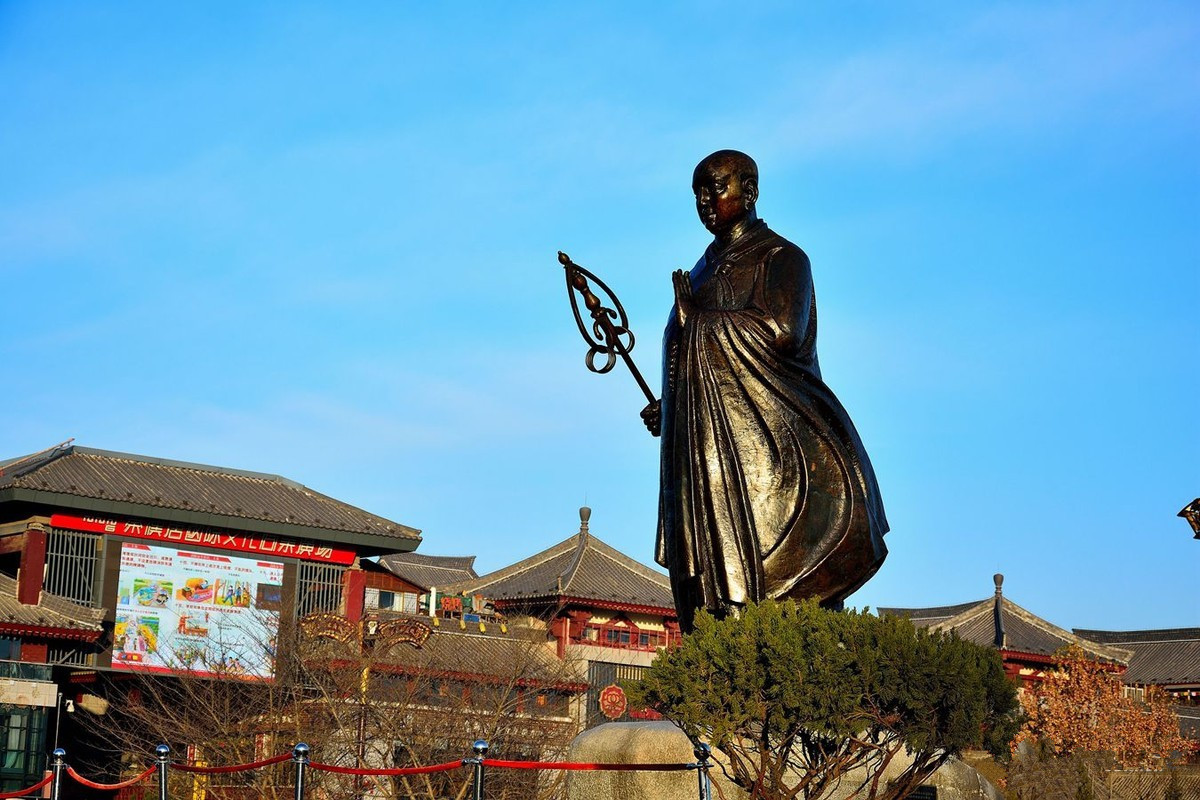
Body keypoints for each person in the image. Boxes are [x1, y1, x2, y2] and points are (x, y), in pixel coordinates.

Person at [643, 150, 888, 629]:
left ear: (749, 191)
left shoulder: (782, 257)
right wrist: (674, 402)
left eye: (716, 188)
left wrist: (700, 325)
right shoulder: (698, 272)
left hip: (770, 448)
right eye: (698, 192)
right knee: (703, 603)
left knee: (766, 596)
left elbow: (782, 331)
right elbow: (692, 354)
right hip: (703, 450)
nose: (705, 201)